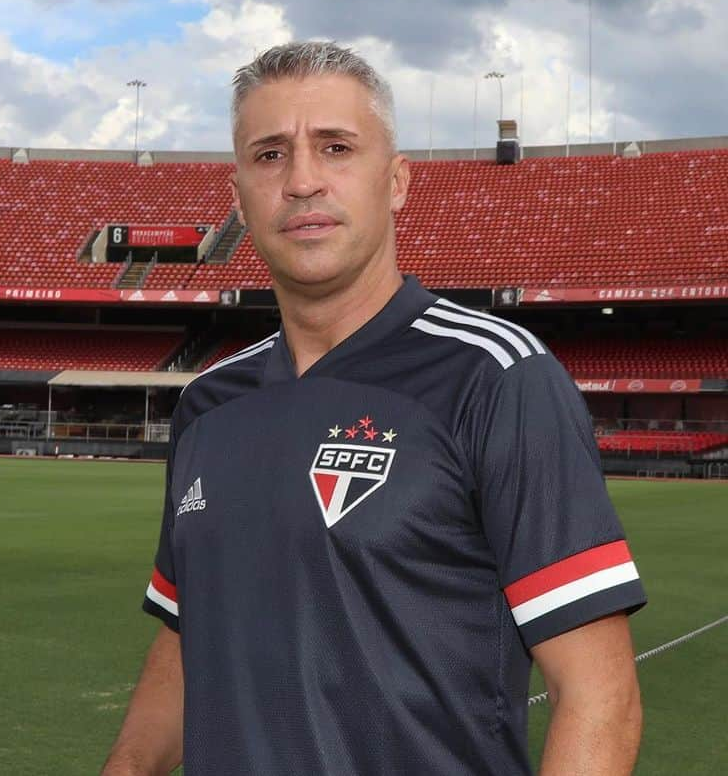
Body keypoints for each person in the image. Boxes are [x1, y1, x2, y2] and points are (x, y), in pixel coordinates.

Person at [102, 41, 644, 776]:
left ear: (395, 181)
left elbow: (600, 696)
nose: (301, 180)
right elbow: (187, 636)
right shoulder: (209, 404)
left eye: (335, 147)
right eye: (269, 155)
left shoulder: (495, 378)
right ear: (238, 198)